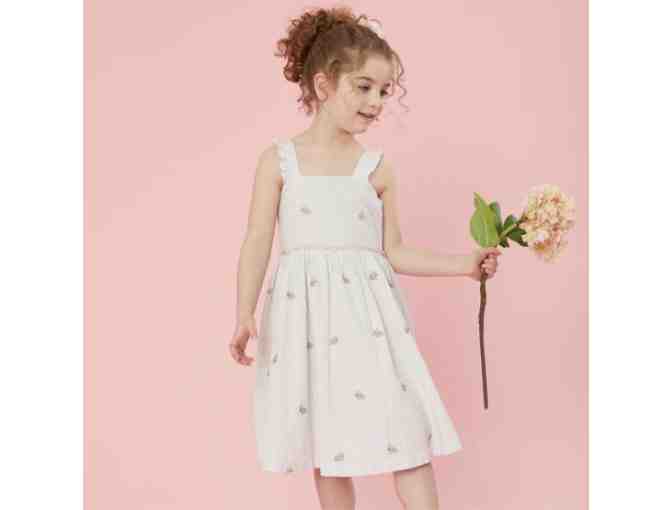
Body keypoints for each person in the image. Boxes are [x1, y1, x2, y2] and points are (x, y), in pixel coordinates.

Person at [230, 6, 501, 509]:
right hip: (306, 320)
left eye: (384, 91)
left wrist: (464, 264)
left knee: (406, 428)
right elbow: (257, 239)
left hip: (371, 321)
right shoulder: (279, 161)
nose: (376, 102)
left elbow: (394, 251)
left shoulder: (376, 168)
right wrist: (245, 312)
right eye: (364, 87)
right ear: (323, 85)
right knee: (326, 440)